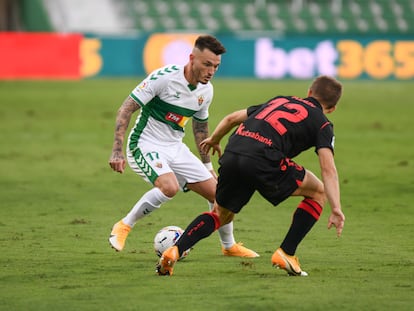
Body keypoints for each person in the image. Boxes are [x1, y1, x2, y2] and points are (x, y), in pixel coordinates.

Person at [157, 75, 346, 276]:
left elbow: (231, 118)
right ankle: (287, 253)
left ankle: (174, 250)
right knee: (318, 192)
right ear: (332, 108)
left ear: (309, 92)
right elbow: (328, 169)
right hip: (263, 158)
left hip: (234, 151)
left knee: (220, 214)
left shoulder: (279, 100)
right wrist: (336, 208)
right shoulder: (323, 124)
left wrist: (214, 139)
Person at [108, 35, 258, 258]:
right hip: (145, 144)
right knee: (169, 187)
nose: (211, 71)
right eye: (207, 64)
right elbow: (126, 108)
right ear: (192, 59)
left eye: (216, 66)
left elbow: (200, 128)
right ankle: (124, 225)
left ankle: (228, 246)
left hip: (175, 148)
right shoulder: (164, 78)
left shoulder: (206, 91)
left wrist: (207, 165)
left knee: (221, 196)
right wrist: (117, 150)